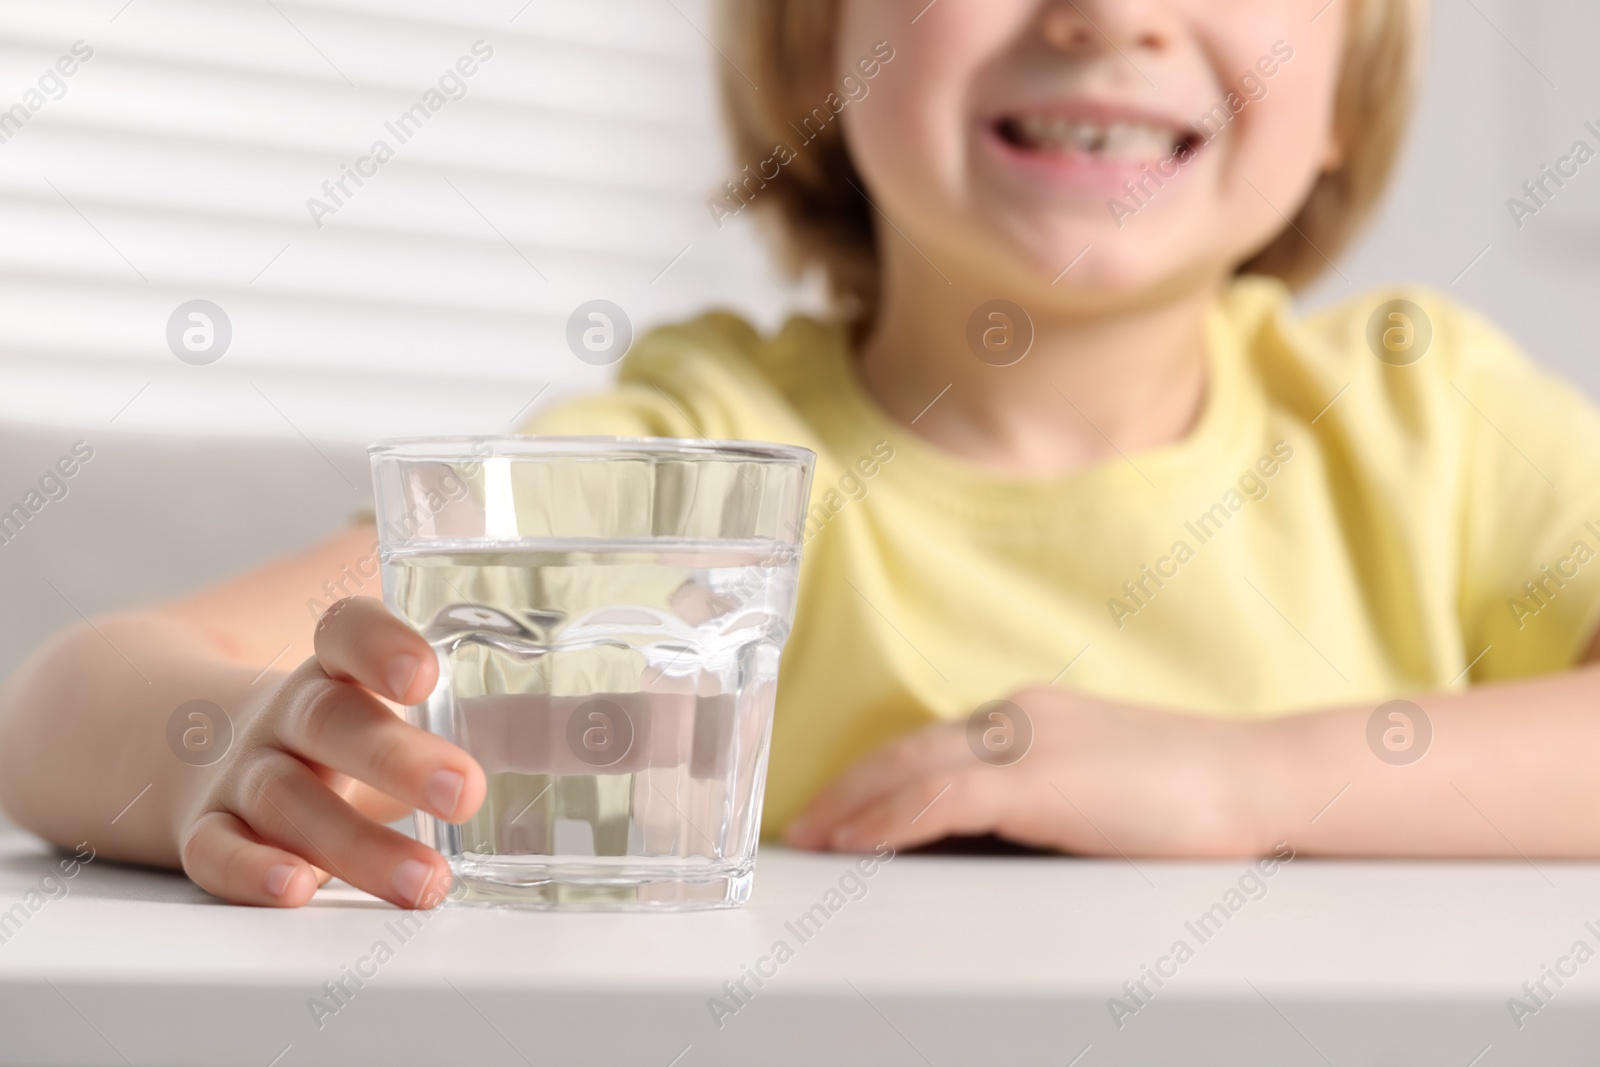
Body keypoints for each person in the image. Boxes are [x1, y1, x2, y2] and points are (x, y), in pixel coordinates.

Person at [7, 0, 1600, 911]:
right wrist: (243, 751)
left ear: (1347, 84)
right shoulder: (704, 455)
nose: (1104, 17)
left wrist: (1252, 783)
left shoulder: (1426, 413)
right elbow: (64, 701)